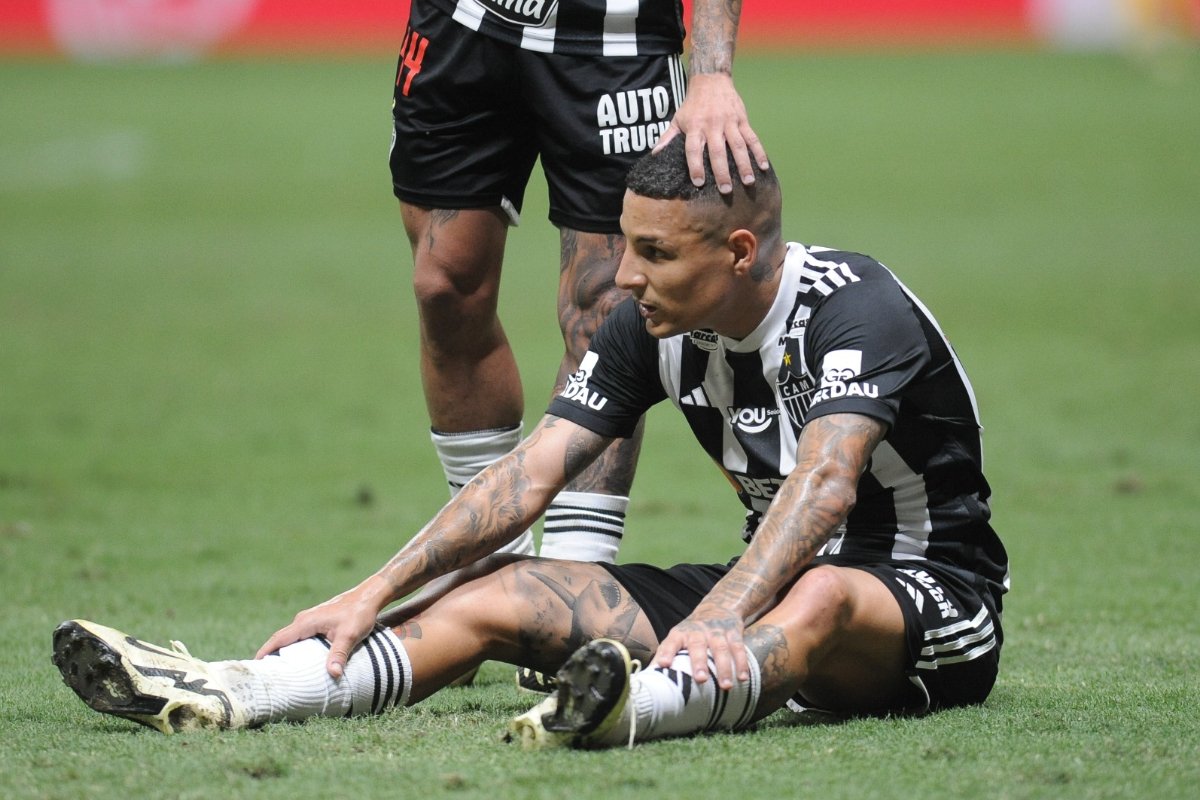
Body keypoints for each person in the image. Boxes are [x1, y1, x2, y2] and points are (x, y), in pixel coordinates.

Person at [52, 139, 1008, 748]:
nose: (625, 277)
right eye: (626, 245)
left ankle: (633, 709)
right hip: (759, 595)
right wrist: (372, 590)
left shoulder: (854, 309)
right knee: (498, 592)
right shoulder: (650, 323)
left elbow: (827, 485)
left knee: (825, 594)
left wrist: (719, 612)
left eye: (657, 254)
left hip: (927, 601)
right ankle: (240, 690)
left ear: (740, 253)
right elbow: (529, 474)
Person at [393, 0, 768, 568]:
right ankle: (486, 562)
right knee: (443, 287)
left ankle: (573, 575)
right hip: (465, 24)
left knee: (608, 305)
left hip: (617, 42)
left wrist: (712, 72)